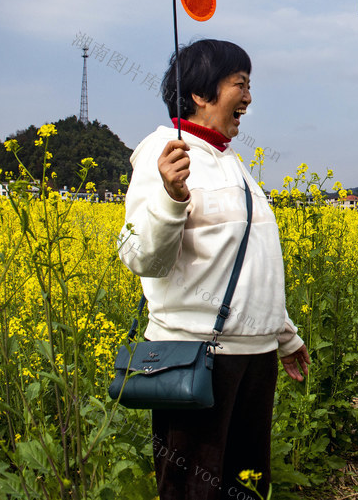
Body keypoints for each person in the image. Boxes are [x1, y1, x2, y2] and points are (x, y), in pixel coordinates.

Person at [118, 39, 310, 500]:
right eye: (239, 84)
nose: (248, 97)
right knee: (192, 490)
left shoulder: (232, 162)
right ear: (201, 93)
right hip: (198, 359)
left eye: (249, 85)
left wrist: (283, 335)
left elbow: (249, 267)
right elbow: (142, 257)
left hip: (254, 359)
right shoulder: (162, 154)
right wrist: (171, 196)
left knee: (245, 486)